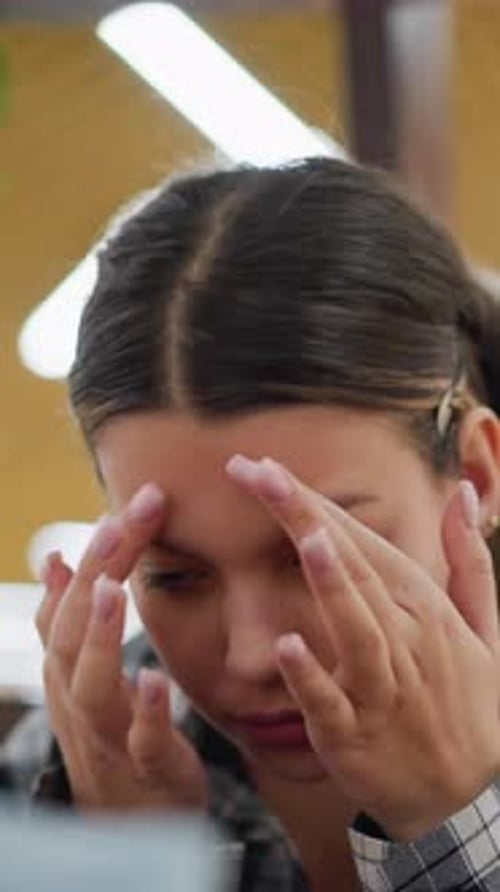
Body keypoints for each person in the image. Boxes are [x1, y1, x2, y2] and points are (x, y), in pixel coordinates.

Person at [35, 158, 500, 892]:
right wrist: (140, 871)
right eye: (176, 576)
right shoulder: (70, 775)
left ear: (474, 476)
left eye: (317, 555)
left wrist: (458, 820)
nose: (253, 655)